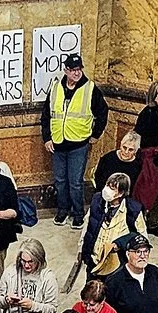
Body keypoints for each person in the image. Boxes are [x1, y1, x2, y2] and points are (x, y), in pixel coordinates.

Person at [40, 53, 106, 227]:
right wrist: (47, 138)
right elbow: (46, 115)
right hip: (58, 143)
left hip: (78, 144)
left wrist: (95, 135)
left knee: (75, 182)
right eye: (73, 70)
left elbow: (103, 113)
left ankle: (78, 214)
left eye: (79, 69)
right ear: (66, 70)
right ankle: (62, 210)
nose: (77, 73)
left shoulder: (90, 88)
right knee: (60, 181)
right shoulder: (56, 87)